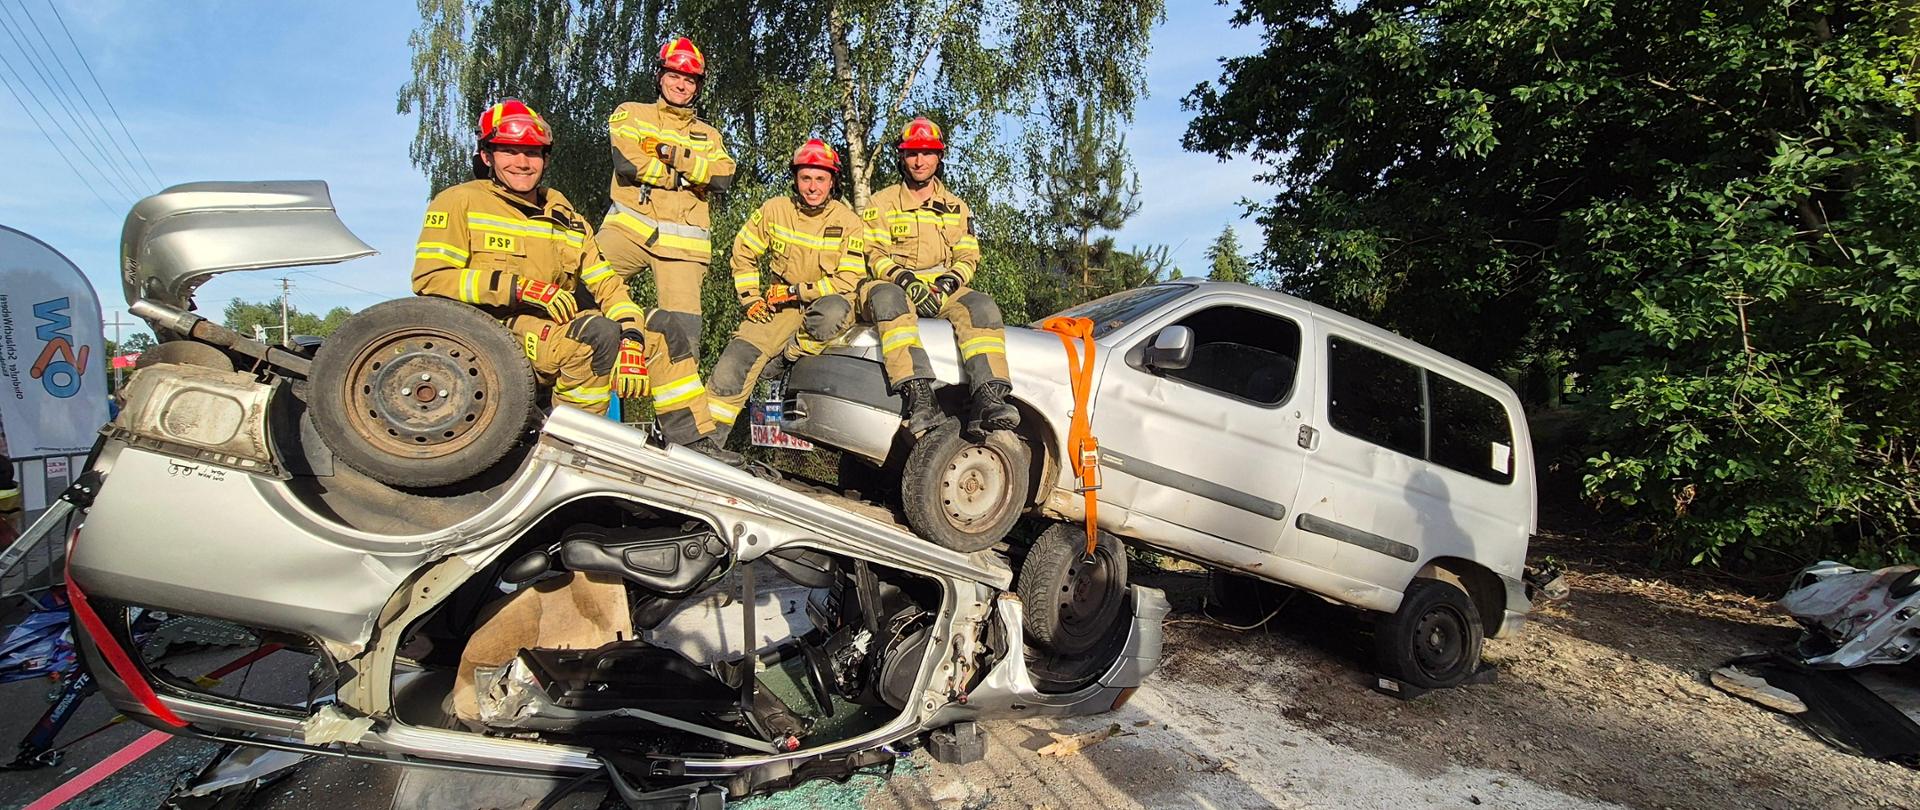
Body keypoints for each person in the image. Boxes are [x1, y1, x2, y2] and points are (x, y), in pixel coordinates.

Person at [411, 98, 653, 421]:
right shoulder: (459, 203)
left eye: (533, 152)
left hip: (548, 334)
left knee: (657, 331)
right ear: (487, 156)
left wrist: (633, 340)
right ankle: (571, 441)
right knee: (595, 338)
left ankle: (683, 443)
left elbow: (609, 287)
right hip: (487, 334)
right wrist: (520, 288)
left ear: (545, 159)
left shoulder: (567, 218)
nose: (522, 162)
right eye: (510, 151)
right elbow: (431, 279)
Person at [599, 36, 737, 456]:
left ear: (698, 85)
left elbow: (723, 177)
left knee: (683, 342)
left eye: (689, 79)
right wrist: (688, 172)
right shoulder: (631, 113)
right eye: (675, 75)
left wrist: (669, 157)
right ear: (661, 75)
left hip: (684, 248)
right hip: (627, 231)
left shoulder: (709, 134)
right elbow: (627, 163)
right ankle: (567, 403)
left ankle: (682, 438)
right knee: (579, 296)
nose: (681, 84)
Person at [705, 139, 889, 432]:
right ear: (795, 179)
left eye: (820, 179)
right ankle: (706, 441)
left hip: (825, 305)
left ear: (833, 182)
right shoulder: (775, 210)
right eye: (805, 178)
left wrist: (795, 292)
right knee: (737, 358)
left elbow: (848, 280)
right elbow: (743, 252)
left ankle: (788, 358)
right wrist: (751, 298)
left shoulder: (849, 222)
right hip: (780, 308)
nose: (812, 187)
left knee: (834, 310)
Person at [861, 116, 1019, 435]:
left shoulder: (957, 208)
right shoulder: (881, 203)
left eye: (927, 152)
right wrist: (905, 281)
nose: (919, 161)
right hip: (895, 283)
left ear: (939, 156)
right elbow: (871, 253)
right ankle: (919, 397)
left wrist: (947, 285)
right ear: (902, 157)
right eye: (912, 153)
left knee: (981, 307)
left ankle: (988, 398)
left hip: (941, 287)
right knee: (888, 300)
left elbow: (968, 256)